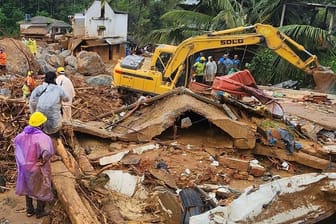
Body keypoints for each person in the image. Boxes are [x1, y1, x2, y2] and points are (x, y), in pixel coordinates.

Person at [14, 111, 55, 218]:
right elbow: (48, 152)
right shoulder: (43, 138)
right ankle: (40, 211)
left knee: (28, 187)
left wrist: (23, 163)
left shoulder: (19, 136)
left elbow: (17, 151)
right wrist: (42, 160)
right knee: (40, 187)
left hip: (25, 167)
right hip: (37, 167)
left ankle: (29, 210)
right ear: (41, 124)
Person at [29, 71, 69, 136]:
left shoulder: (39, 88)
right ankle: (57, 141)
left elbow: (32, 101)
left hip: (40, 121)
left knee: (41, 135)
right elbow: (67, 99)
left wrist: (33, 113)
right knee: (55, 134)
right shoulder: (59, 89)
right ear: (55, 79)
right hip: (54, 122)